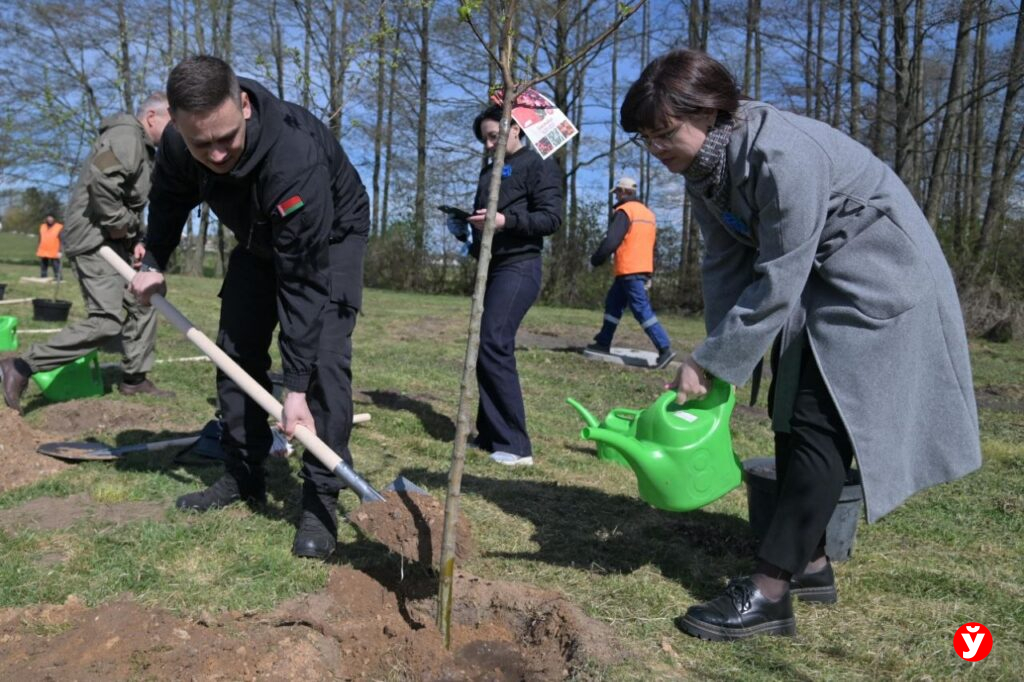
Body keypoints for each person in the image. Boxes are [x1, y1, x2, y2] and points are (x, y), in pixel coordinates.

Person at [619, 49, 981, 642]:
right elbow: (724, 260)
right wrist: (715, 356)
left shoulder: (780, 154)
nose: (657, 148)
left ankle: (769, 592)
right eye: (646, 137)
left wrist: (713, 361)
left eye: (665, 132)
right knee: (789, 413)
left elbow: (781, 271)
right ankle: (810, 563)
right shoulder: (705, 169)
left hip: (878, 280)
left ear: (709, 113)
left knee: (818, 421)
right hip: (820, 281)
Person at [129, 56, 370, 561]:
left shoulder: (294, 155)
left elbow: (303, 281)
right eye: (202, 144)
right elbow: (170, 198)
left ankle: (320, 499)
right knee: (235, 349)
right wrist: (154, 257)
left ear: (243, 105)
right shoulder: (178, 142)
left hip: (328, 238)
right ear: (175, 123)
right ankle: (244, 474)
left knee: (323, 360)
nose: (216, 154)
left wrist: (297, 387)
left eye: (226, 138)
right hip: (259, 236)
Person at [0, 93, 174, 414]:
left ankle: (134, 379)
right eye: (172, 123)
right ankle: (21, 366)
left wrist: (136, 237)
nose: (177, 133)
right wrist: (121, 225)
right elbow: (102, 183)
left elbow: (129, 197)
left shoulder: (144, 149)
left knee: (143, 301)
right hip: (95, 239)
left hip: (114, 240)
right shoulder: (124, 137)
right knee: (107, 322)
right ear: (152, 116)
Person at [448, 103, 563, 467]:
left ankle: (516, 446)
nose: (488, 144)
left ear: (516, 129)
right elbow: (488, 224)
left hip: (520, 266)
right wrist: (467, 230)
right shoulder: (488, 173)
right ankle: (491, 435)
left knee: (495, 340)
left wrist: (504, 220)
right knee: (485, 343)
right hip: (492, 265)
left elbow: (551, 218)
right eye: (484, 139)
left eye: (494, 136)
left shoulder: (539, 164)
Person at [586, 177, 676, 369]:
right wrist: (650, 273)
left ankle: (664, 348)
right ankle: (603, 341)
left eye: (617, 192)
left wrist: (596, 259)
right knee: (613, 304)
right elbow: (652, 246)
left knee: (641, 309)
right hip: (639, 269)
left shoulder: (624, 212)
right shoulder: (648, 214)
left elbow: (611, 240)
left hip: (629, 269)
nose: (616, 196)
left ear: (624, 192)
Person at [37, 215, 64, 281]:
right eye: (48, 218)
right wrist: (38, 247)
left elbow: (62, 240)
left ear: (54, 218)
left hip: (54, 249)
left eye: (51, 217)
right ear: (46, 218)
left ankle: (58, 277)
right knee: (43, 264)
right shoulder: (42, 226)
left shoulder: (59, 227)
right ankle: (43, 276)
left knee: (55, 264)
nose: (50, 219)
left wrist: (60, 251)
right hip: (43, 249)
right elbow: (40, 238)